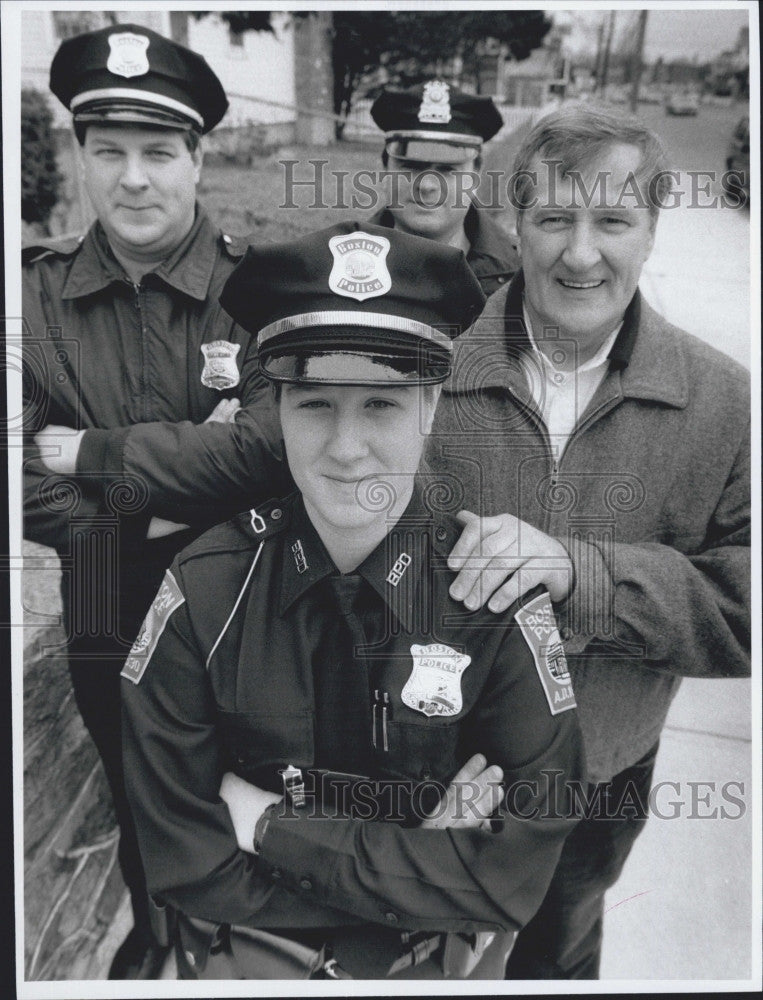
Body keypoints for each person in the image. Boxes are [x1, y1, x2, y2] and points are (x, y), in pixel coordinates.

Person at [93, 104, 749, 977]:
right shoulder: (421, 351)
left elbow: (745, 607)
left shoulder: (722, 402)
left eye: (613, 221)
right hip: (393, 770)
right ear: (514, 222)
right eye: (553, 217)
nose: (580, 252)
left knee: (554, 953)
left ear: (652, 227)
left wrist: (580, 577)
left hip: (594, 772)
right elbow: (290, 510)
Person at [120, 221, 585, 980]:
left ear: (431, 408)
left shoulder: (491, 598)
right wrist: (419, 871)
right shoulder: (203, 593)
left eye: (381, 404)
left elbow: (507, 880)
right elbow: (181, 859)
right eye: (313, 404)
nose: (344, 447)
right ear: (275, 407)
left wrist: (267, 825)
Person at [23, 23, 285, 979]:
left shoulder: (257, 287)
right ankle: (159, 928)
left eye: (158, 153)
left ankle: (244, 942)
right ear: (81, 158)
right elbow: (19, 473)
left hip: (241, 592)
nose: (134, 179)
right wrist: (157, 507)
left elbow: (267, 449)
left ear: (197, 157)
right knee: (137, 787)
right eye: (110, 152)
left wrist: (96, 460)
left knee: (246, 780)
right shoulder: (36, 296)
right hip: (98, 592)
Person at [368, 80, 519, 295]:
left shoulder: (520, 275)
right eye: (411, 166)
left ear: (476, 173)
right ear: (385, 168)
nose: (427, 185)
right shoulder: (336, 267)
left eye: (448, 169)